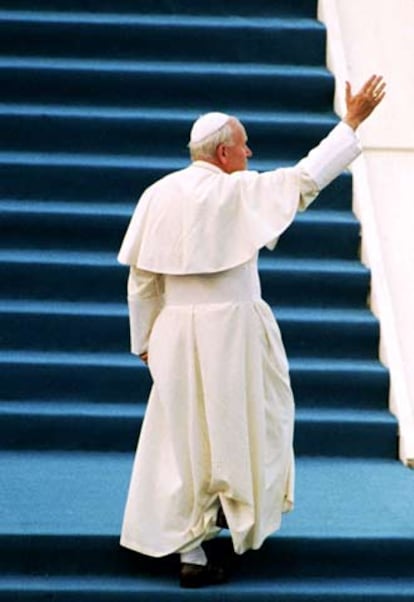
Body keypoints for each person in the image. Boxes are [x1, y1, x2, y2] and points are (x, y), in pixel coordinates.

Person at [118, 75, 386, 588]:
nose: (250, 152)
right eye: (243, 145)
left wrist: (145, 340)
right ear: (223, 153)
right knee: (243, 427)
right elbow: (306, 178)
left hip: (174, 330)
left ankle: (193, 551)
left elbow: (141, 282)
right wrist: (350, 122)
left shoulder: (157, 195)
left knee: (182, 438)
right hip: (232, 331)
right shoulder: (238, 191)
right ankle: (231, 520)